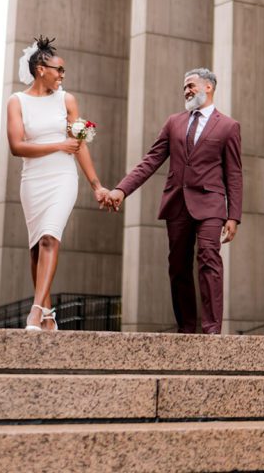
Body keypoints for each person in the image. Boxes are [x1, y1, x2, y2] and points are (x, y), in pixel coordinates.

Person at [105, 68, 242, 334]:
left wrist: (233, 215)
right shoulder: (173, 123)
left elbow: (234, 173)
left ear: (209, 87)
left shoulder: (228, 126)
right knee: (178, 266)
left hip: (211, 204)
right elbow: (150, 161)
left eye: (190, 86)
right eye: (184, 88)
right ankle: (187, 329)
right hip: (177, 203)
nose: (186, 91)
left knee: (208, 257)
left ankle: (212, 329)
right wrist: (122, 190)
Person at [7, 36, 110, 330]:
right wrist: (58, 145)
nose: (62, 76)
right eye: (59, 69)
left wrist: (97, 186)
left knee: (50, 237)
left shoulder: (67, 100)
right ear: (41, 69)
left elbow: (79, 146)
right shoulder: (17, 101)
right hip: (33, 179)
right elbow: (17, 146)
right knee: (37, 247)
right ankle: (49, 314)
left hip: (63, 178)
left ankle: (36, 311)